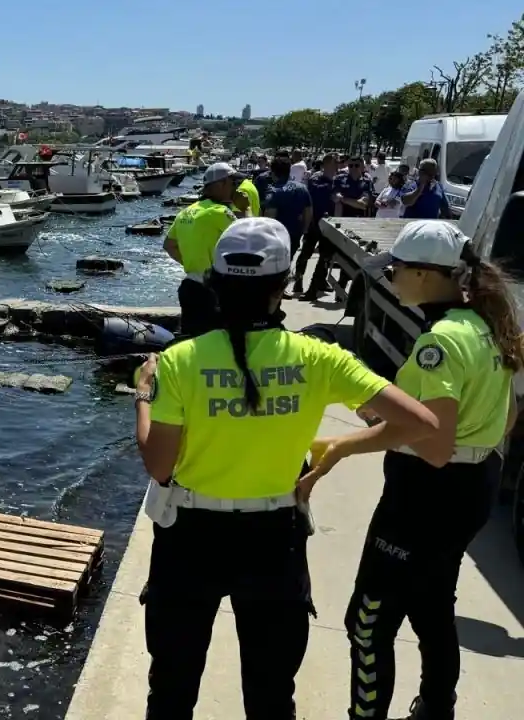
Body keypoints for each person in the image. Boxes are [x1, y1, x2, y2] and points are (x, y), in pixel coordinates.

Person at [133, 217, 437, 720]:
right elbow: (421, 423)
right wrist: (338, 447)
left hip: (190, 538)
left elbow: (161, 466)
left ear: (215, 284)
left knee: (171, 687)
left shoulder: (177, 361)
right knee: (272, 693)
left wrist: (144, 394)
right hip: (274, 538)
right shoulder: (318, 357)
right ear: (283, 287)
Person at [298, 220, 521, 720]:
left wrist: (340, 446)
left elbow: (435, 443)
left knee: (368, 621)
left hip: (424, 498)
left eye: (395, 269)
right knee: (432, 604)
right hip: (472, 488)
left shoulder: (438, 345)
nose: (390, 277)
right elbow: (503, 416)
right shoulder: (486, 325)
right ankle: (438, 708)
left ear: (424, 274)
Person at [163, 162, 243, 337]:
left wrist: (192, 261)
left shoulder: (185, 212)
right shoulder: (221, 212)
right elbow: (251, 239)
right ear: (221, 184)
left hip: (189, 285)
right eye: (232, 183)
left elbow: (169, 245)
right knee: (217, 342)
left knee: (190, 340)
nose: (235, 189)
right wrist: (247, 210)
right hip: (213, 290)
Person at [291, 153, 339, 298]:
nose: (338, 164)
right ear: (327, 164)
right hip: (314, 222)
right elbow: (316, 192)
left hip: (330, 224)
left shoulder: (338, 180)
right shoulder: (316, 178)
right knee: (306, 253)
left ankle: (317, 285)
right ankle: (298, 280)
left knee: (325, 256)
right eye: (335, 162)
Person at [261, 155, 313, 287]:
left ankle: (275, 295)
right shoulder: (302, 188)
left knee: (272, 268)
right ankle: (282, 290)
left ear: (272, 172)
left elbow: (269, 217)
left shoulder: (274, 191)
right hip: (295, 234)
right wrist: (304, 229)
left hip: (276, 238)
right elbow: (308, 211)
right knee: (287, 263)